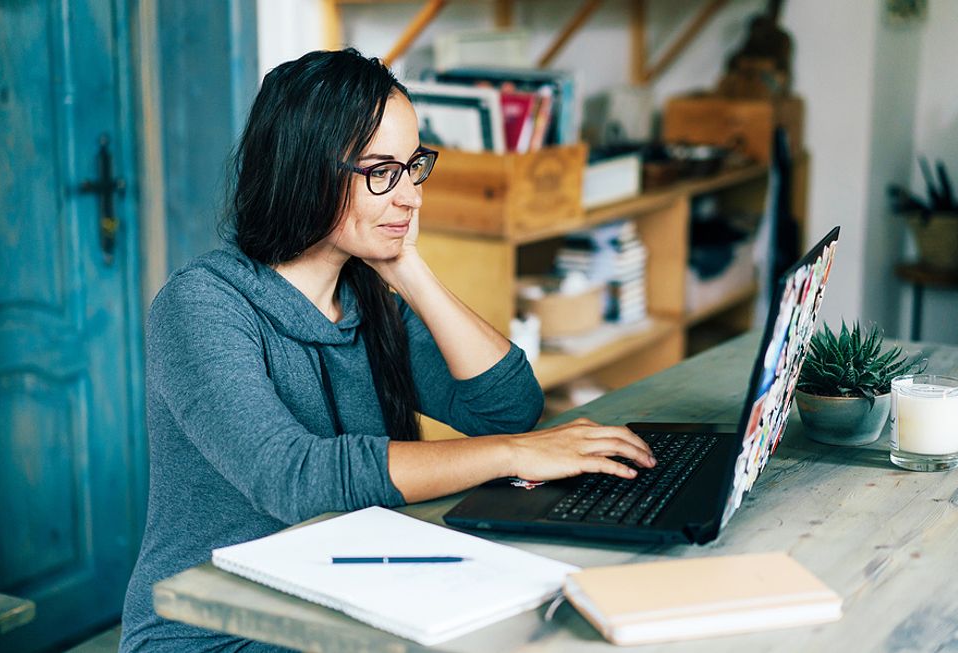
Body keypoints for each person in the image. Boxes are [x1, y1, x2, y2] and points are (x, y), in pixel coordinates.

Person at [120, 48, 654, 652]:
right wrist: (513, 456)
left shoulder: (368, 298)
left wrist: (410, 269)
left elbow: (507, 407)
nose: (411, 198)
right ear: (305, 170)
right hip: (218, 632)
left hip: (347, 603)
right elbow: (293, 477)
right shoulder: (201, 306)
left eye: (412, 167)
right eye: (381, 172)